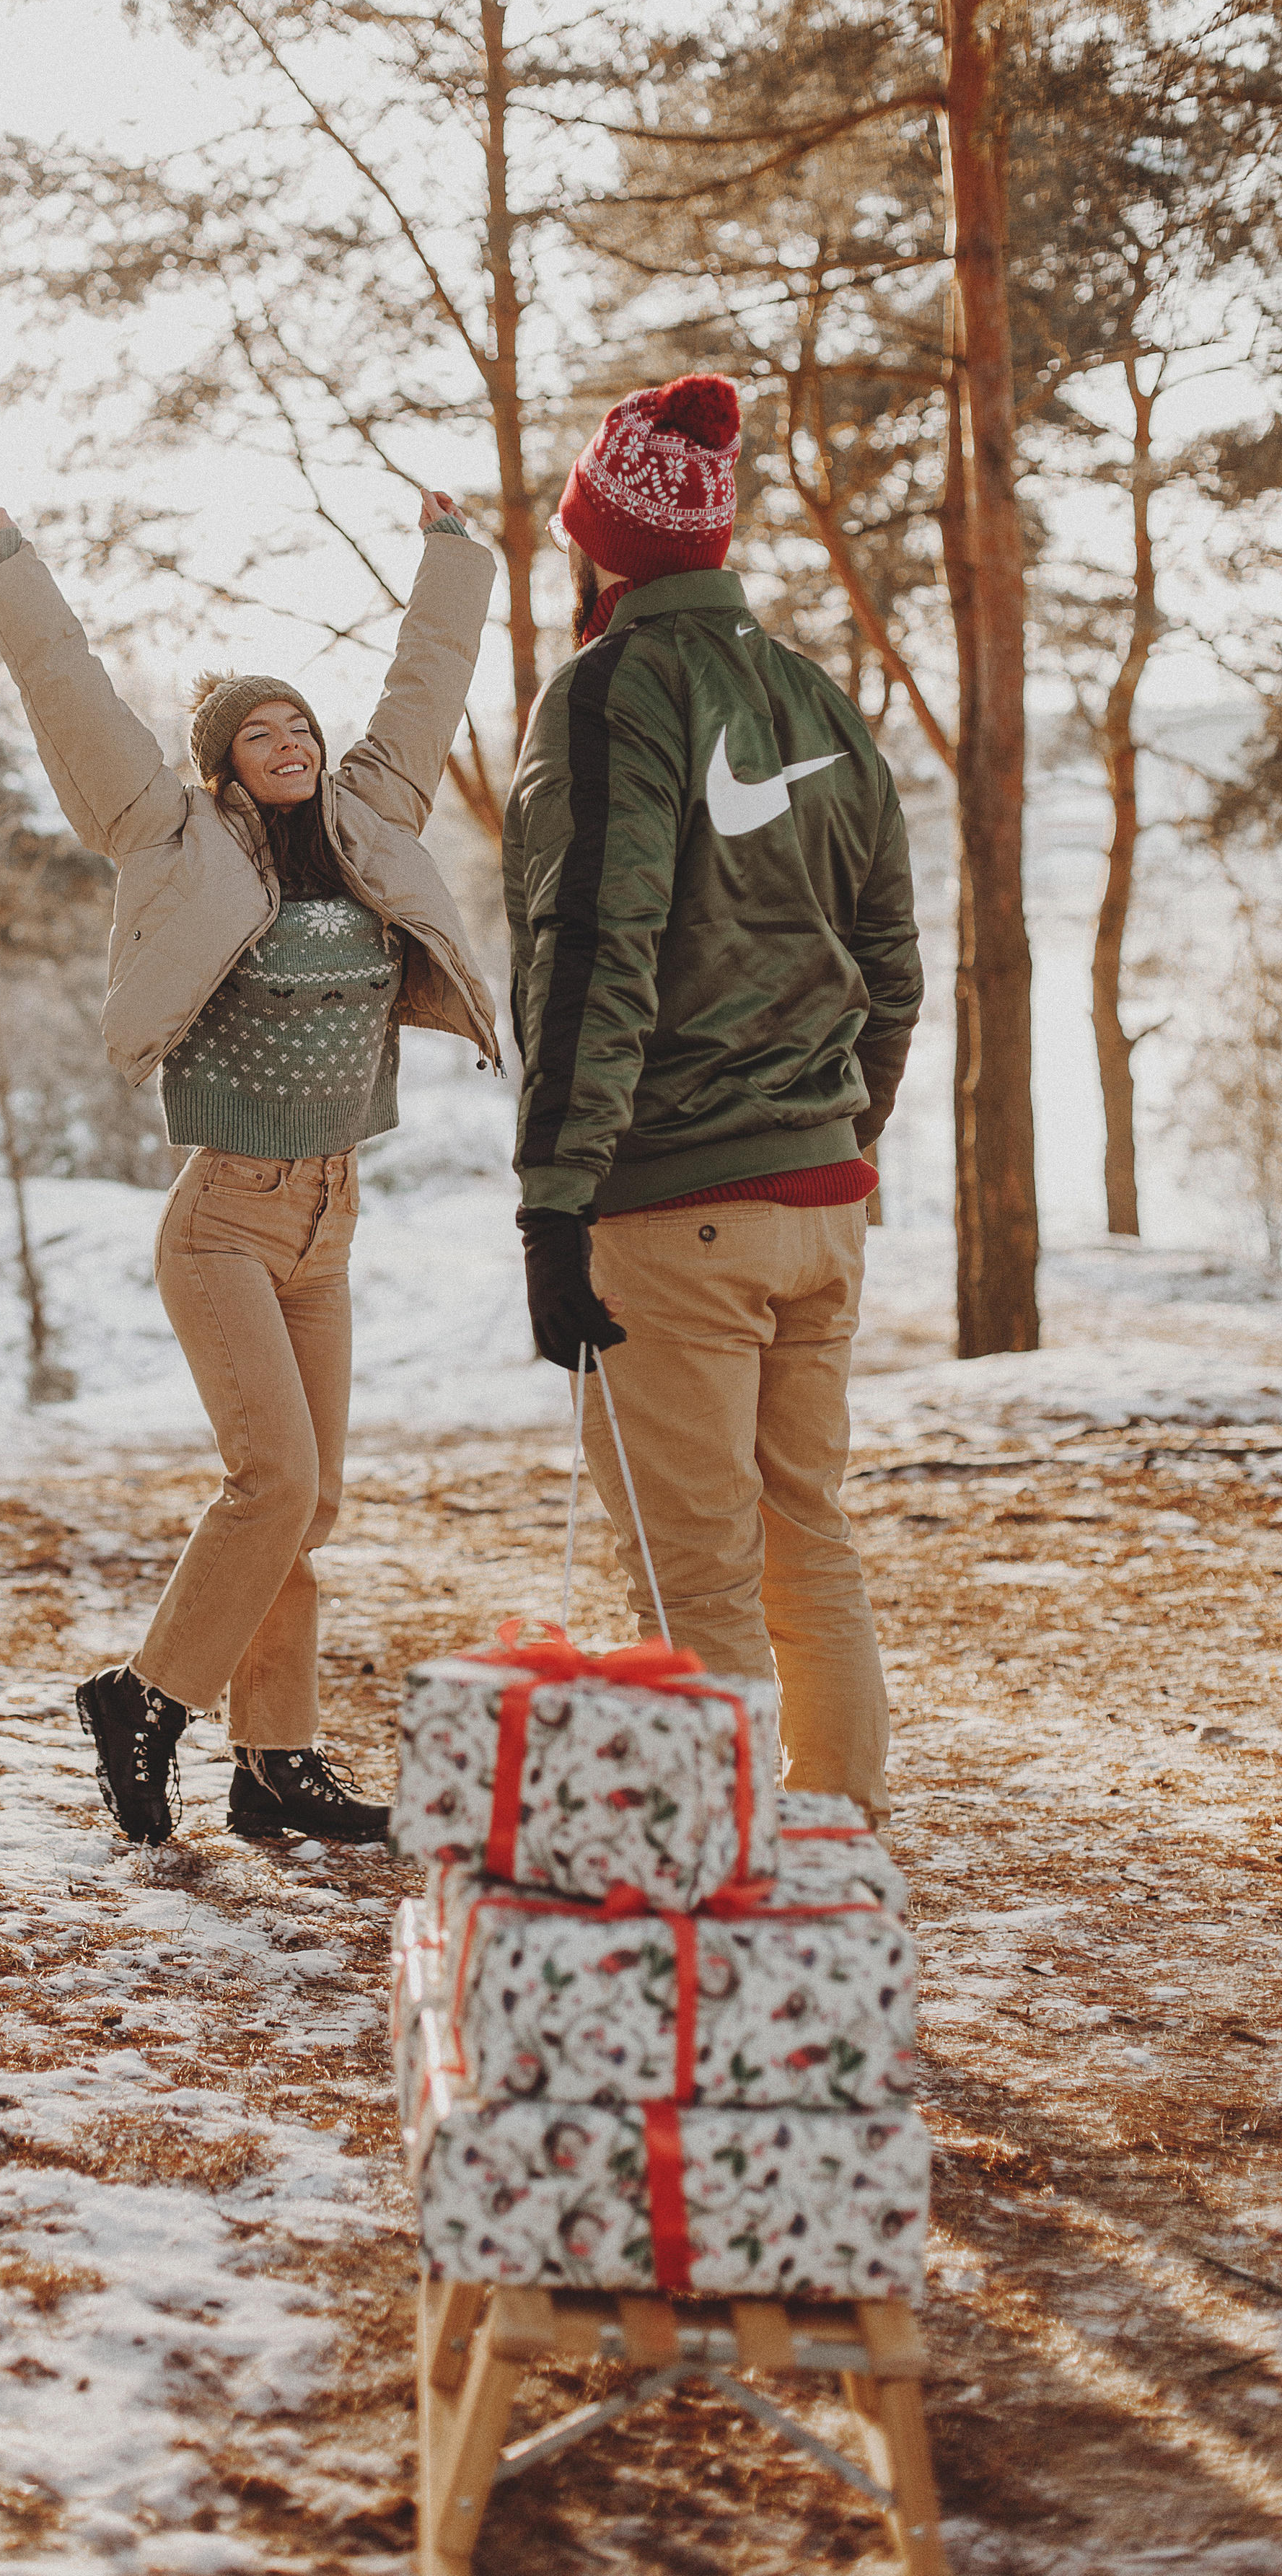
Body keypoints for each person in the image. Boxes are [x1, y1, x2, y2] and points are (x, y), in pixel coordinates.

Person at [0, 489, 499, 1847]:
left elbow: (425, 685)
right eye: (260, 734)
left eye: (301, 726)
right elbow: (77, 706)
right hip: (225, 1221)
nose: (293, 743)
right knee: (270, 1483)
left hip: (331, 1216)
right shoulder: (174, 841)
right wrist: (15, 576)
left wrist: (453, 557)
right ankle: (144, 1699)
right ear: (222, 767)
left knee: (308, 1503)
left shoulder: (376, 819)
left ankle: (276, 1767)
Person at [501, 374, 923, 1825]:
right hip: (817, 1206)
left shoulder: (612, 691)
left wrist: (552, 1204)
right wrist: (831, 1138)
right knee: (806, 1539)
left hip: (669, 1206)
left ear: (597, 538)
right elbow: (891, 963)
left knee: (695, 1579)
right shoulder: (813, 694)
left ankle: (731, 1900)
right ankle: (835, 1865)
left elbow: (588, 959)